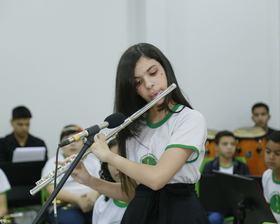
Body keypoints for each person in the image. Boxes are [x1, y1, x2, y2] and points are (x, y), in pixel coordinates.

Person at [61, 43, 211, 224]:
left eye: (153, 73)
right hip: (140, 214)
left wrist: (109, 156)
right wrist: (89, 180)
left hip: (180, 214)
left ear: (166, 69)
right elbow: (132, 193)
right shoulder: (133, 127)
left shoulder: (189, 119)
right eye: (138, 82)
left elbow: (157, 179)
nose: (149, 85)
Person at [42, 124, 100, 224]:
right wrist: (77, 199)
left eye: (77, 140)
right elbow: (51, 190)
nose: (72, 144)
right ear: (61, 144)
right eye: (68, 139)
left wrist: (96, 193)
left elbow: (103, 182)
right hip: (64, 207)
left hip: (93, 203)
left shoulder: (94, 162)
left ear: (84, 142)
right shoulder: (53, 163)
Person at [202, 130, 251, 224]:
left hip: (238, 206)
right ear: (216, 147)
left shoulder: (242, 166)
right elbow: (207, 193)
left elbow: (248, 190)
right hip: (216, 207)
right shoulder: (209, 166)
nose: (229, 147)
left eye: (232, 144)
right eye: (225, 144)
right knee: (214, 218)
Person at [92, 138, 128, 224]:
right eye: (111, 162)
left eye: (122, 159)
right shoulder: (102, 202)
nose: (117, 167)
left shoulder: (147, 199)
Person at [262, 131, 280, 223]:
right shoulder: (266, 175)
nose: (271, 157)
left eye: (277, 154)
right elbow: (268, 207)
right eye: (268, 152)